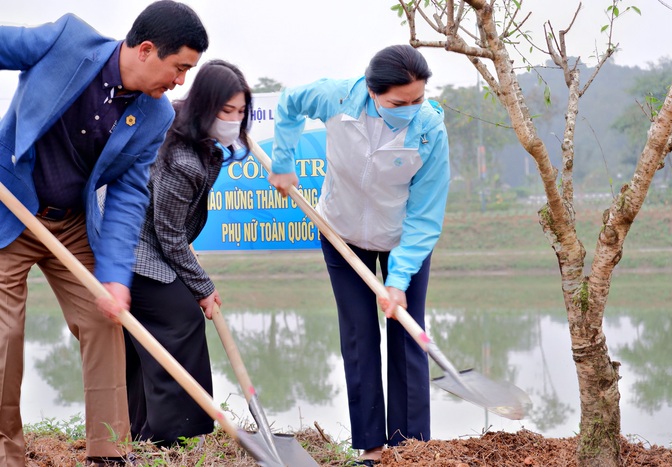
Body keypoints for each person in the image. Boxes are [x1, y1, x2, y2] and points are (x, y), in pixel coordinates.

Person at [0, 2, 208, 466]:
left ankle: (108, 451)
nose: (180, 82)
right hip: (9, 210)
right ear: (147, 50)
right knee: (4, 334)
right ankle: (6, 455)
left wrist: (115, 276)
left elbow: (128, 197)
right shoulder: (67, 41)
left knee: (104, 321)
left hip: (72, 221)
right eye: (179, 68)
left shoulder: (155, 118)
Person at [268, 44, 450, 465]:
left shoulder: (429, 130)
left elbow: (425, 216)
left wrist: (398, 281)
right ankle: (370, 448)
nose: (410, 108)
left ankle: (409, 450)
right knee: (359, 335)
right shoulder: (334, 97)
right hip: (342, 232)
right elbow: (289, 103)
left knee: (407, 335)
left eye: (418, 99)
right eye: (397, 103)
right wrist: (282, 159)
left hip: (403, 238)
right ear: (371, 91)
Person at [124, 59, 252, 446]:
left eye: (241, 111)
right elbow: (168, 235)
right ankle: (171, 434)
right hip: (130, 246)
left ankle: (143, 433)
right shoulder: (181, 156)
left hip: (149, 240)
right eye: (225, 111)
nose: (233, 119)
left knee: (143, 337)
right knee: (179, 320)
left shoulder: (195, 131)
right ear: (204, 107)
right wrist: (203, 286)